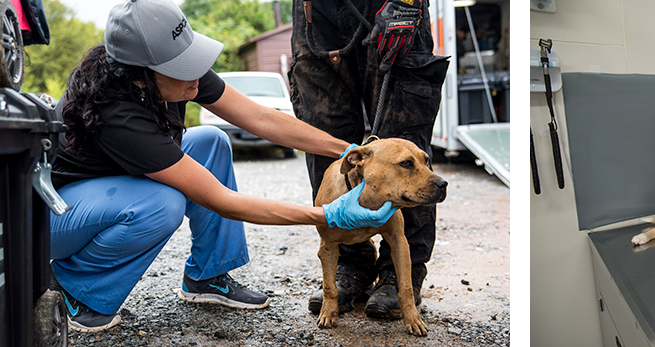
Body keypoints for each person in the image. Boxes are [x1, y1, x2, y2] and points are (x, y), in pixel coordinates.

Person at [50, 0, 396, 332]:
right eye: (181, 67)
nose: (196, 74)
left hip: (107, 186)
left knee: (211, 142)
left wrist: (352, 150)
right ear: (141, 75)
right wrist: (327, 215)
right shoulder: (118, 112)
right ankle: (75, 291)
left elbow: (260, 118)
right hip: (54, 218)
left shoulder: (167, 74)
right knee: (161, 205)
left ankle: (207, 275)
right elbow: (220, 200)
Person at [287, 0, 449, 319]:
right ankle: (351, 263)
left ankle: (400, 273)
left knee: (403, 144)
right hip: (315, 13)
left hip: (393, 5)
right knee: (325, 135)